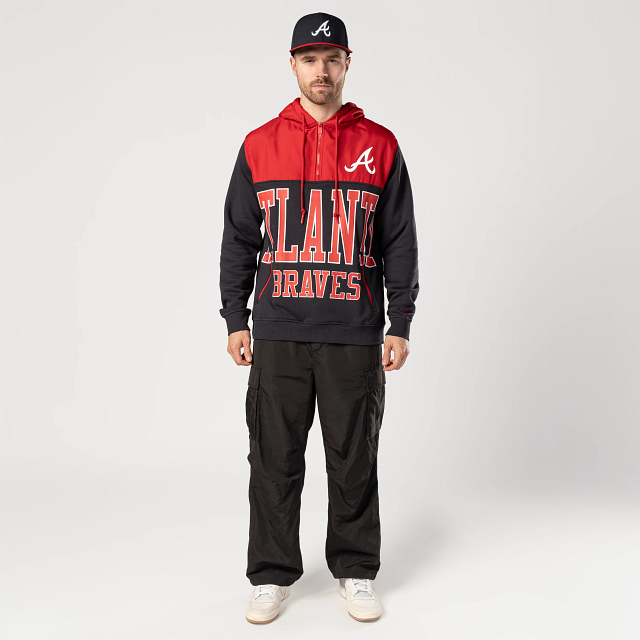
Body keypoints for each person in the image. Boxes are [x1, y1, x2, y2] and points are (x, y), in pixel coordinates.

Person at [219, 11, 419, 624]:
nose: (321, 70)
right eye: (310, 59)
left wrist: (400, 321)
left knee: (353, 457)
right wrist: (235, 318)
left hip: (353, 330)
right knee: (272, 459)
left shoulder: (380, 145)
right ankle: (271, 574)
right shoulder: (259, 144)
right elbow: (238, 239)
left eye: (332, 59)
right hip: (278, 328)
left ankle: (356, 570)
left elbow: (399, 240)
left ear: (347, 63)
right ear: (293, 65)